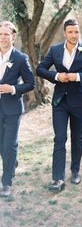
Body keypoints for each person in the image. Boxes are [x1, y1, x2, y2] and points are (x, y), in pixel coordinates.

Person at [36, 19, 82, 192]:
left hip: (78, 101)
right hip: (59, 102)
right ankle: (57, 178)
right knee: (59, 138)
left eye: (76, 32)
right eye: (71, 32)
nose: (74, 35)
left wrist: (77, 76)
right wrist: (57, 76)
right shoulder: (55, 50)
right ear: (65, 33)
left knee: (76, 137)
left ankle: (75, 172)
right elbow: (40, 69)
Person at [0, 21, 34, 197]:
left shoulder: (21, 58)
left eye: (6, 34)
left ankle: (6, 183)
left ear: (13, 37)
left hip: (13, 108)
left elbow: (31, 83)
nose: (3, 37)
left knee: (9, 145)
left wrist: (12, 89)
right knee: (1, 145)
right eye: (0, 34)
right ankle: (11, 163)